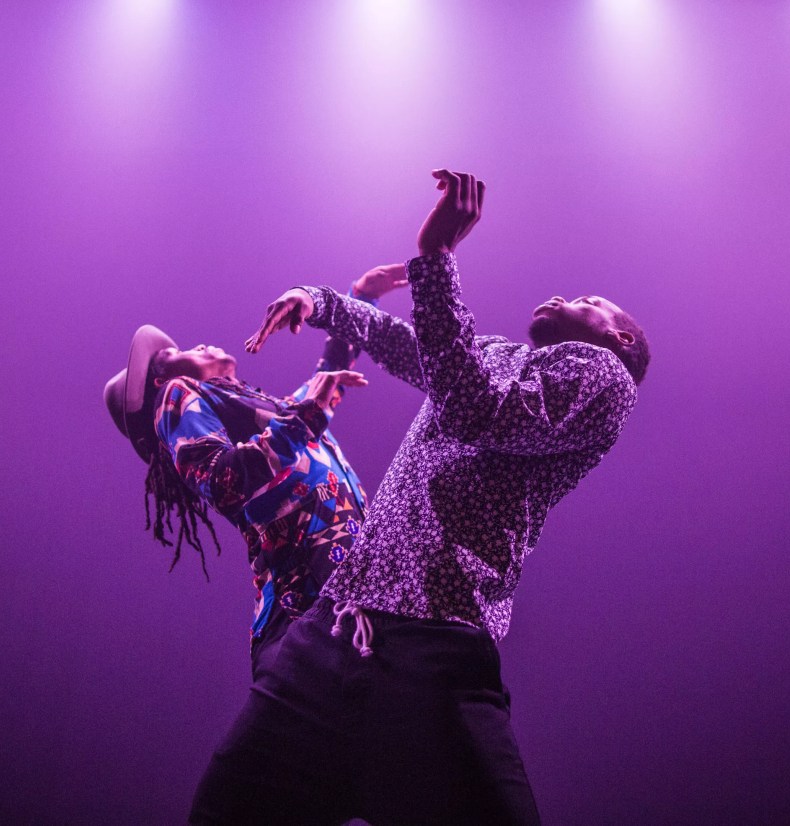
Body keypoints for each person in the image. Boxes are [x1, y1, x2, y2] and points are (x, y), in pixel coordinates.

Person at [181, 168, 651, 826]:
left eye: (587, 299)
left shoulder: (605, 377)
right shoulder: (492, 353)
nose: (562, 295)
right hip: (332, 634)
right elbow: (412, 346)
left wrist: (435, 257)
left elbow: (474, 409)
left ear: (619, 336)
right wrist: (321, 302)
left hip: (431, 654)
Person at [102, 267, 404, 719]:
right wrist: (305, 416)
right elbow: (222, 480)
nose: (199, 343)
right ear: (162, 381)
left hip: (347, 607)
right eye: (178, 353)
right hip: (306, 617)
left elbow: (325, 381)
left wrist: (360, 298)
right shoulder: (177, 396)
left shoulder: (265, 412)